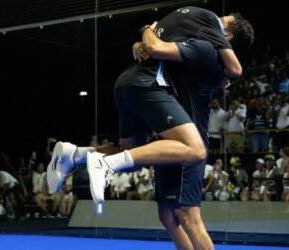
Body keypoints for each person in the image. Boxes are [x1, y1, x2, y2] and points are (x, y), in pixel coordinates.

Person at [48, 6, 253, 250]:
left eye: (221, 22)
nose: (213, 21)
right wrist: (141, 44)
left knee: (188, 217)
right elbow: (157, 50)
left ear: (225, 38)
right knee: (167, 215)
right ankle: (77, 155)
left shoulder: (204, 48)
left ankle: (98, 161)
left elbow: (159, 48)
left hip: (189, 141)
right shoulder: (199, 49)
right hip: (170, 138)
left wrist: (147, 32)